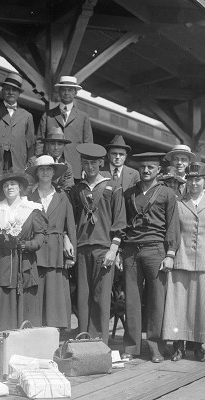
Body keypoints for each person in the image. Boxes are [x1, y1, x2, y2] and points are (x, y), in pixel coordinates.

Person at [162, 162, 205, 362]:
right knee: (179, 305)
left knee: (203, 304)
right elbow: (173, 231)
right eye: (190, 179)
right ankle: (178, 346)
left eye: (198, 179)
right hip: (182, 258)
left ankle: (198, 345)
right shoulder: (178, 202)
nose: (193, 183)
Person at [121, 152, 180, 363]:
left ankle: (156, 348)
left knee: (157, 301)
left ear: (158, 170)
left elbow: (173, 225)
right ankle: (132, 346)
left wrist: (170, 253)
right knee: (131, 301)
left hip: (156, 250)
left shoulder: (167, 193)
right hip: (131, 251)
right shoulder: (129, 193)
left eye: (150, 167)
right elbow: (123, 223)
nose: (146, 170)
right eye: (142, 167)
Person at [69, 143, 126, 346]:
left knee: (101, 297)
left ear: (101, 163)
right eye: (86, 163)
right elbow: (71, 219)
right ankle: (83, 339)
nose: (90, 167)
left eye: (94, 163)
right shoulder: (77, 189)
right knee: (83, 297)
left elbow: (119, 220)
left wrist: (114, 249)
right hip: (82, 248)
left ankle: (99, 343)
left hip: (104, 248)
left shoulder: (113, 187)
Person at [0, 171, 47, 331]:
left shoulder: (32, 209)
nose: (9, 187)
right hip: (1, 261)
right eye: (5, 185)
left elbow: (40, 235)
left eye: (13, 184)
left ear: (20, 188)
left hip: (24, 260)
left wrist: (28, 245)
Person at [27, 155, 76, 330]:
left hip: (56, 251)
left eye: (49, 169)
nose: (45, 172)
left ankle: (55, 329)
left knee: (55, 291)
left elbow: (70, 225)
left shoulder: (62, 196)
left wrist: (70, 255)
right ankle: (35, 328)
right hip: (35, 251)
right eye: (42, 169)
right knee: (36, 290)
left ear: (54, 173)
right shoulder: (29, 196)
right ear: (36, 172)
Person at [36, 76, 93, 184]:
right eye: (63, 90)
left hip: (75, 168)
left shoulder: (83, 117)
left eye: (70, 90)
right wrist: (39, 162)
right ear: (59, 92)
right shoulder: (48, 115)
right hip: (49, 167)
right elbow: (40, 141)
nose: (67, 93)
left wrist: (86, 167)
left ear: (75, 93)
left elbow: (88, 145)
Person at [31, 127, 75, 192]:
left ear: (64, 146)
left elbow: (68, 190)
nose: (56, 147)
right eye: (53, 143)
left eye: (59, 144)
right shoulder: (34, 161)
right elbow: (28, 184)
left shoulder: (67, 167)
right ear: (47, 144)